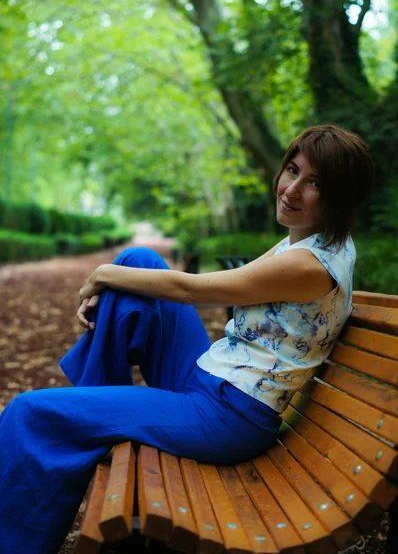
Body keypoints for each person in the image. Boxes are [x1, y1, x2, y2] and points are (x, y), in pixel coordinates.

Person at [0, 124, 373, 553]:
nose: (291, 189)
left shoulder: (308, 265)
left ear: (341, 197)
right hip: (211, 378)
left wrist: (101, 275)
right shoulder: (313, 242)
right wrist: (115, 283)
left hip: (228, 416)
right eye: (292, 170)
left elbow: (192, 289)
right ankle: (95, 407)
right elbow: (211, 284)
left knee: (29, 413)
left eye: (315, 184)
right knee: (138, 260)